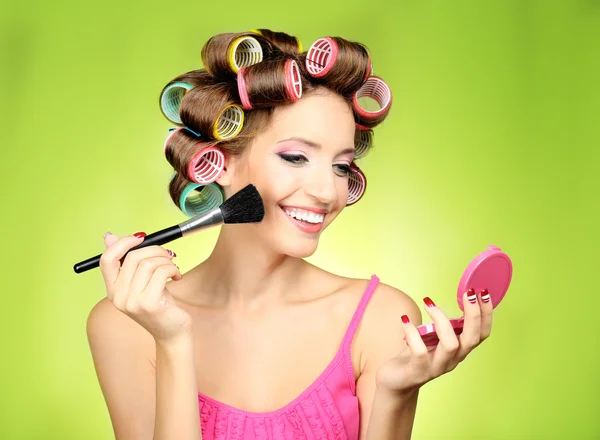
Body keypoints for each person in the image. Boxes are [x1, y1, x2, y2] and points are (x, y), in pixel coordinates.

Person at [86, 29, 494, 440]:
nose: (326, 191)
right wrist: (172, 341)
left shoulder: (380, 318)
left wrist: (395, 392)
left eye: (341, 166)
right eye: (296, 157)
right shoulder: (124, 326)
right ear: (221, 162)